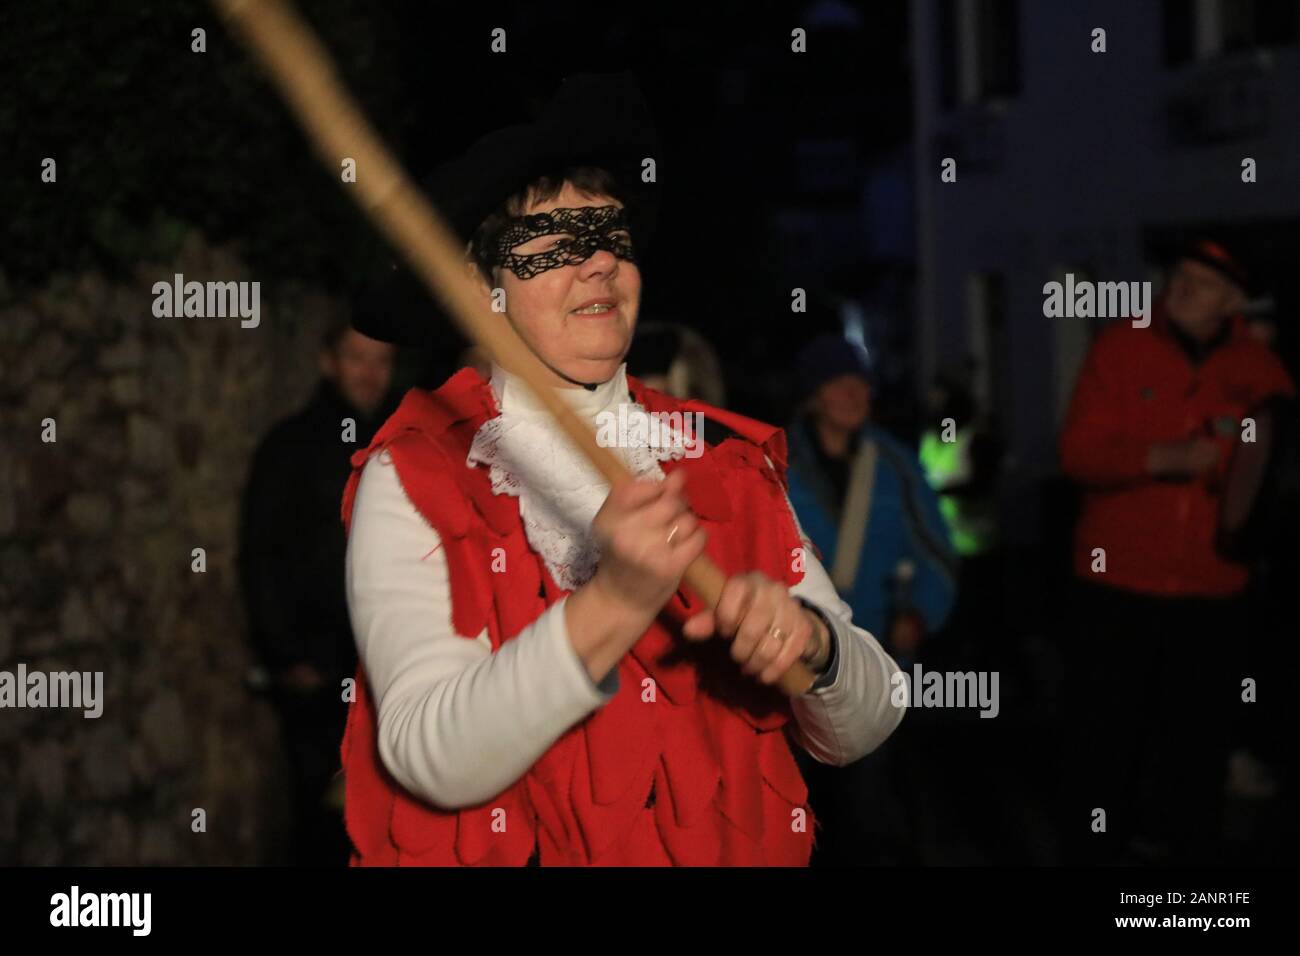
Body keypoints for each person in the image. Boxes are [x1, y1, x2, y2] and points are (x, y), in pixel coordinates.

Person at [338, 73, 906, 866]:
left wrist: (813, 646)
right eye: (557, 243)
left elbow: (869, 717)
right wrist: (615, 602)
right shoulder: (416, 477)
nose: (599, 263)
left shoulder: (725, 461)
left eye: (612, 236)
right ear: (480, 289)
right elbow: (428, 753)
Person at [1057, 238, 1295, 865]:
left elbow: (1279, 467)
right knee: (1105, 745)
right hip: (1118, 588)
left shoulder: (1259, 369)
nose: (1185, 289)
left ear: (1234, 301)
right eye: (1180, 276)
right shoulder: (1121, 347)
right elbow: (1077, 453)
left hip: (1214, 591)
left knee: (1197, 748)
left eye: (1205, 282)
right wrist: (1157, 459)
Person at [783, 333, 957, 863]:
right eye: (838, 383)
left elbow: (938, 554)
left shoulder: (896, 465)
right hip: (794, 663)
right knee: (796, 800)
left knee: (872, 801)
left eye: (860, 382)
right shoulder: (774, 462)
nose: (853, 394)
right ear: (813, 395)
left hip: (879, 658)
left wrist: (918, 613)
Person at [238, 320, 396, 865]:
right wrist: (288, 655)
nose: (371, 374)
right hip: (318, 669)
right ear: (329, 362)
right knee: (324, 818)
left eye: (381, 360)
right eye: (357, 358)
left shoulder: (400, 442)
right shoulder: (290, 447)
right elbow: (261, 553)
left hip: (387, 667)